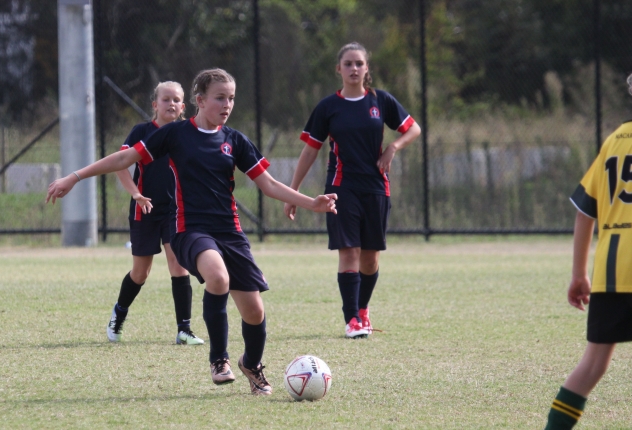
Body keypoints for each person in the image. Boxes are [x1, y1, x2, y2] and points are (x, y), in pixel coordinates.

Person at [47, 68, 337, 395]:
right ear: (199, 100)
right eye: (219, 98)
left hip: (230, 232)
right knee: (218, 277)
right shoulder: (175, 134)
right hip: (189, 230)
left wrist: (312, 203)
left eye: (231, 98)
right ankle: (219, 360)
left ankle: (251, 364)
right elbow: (125, 157)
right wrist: (75, 176)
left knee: (255, 311)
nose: (227, 105)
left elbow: (268, 185)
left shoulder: (235, 140)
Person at [283, 42, 421, 339]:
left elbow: (414, 128)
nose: (354, 68)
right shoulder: (328, 107)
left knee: (370, 259)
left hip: (375, 187)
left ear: (367, 68)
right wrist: (291, 193)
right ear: (339, 69)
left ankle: (362, 309)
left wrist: (392, 148)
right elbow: (309, 152)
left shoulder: (380, 101)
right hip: (340, 189)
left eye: (359, 63)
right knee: (349, 252)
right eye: (348, 63)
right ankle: (352, 320)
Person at [544, 68, 632, 430]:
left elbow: (585, 212)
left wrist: (579, 274)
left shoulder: (614, 141)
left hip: (611, 275)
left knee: (593, 365)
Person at [106, 81, 204, 346]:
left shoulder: (186, 132)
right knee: (141, 272)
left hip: (175, 211)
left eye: (176, 100)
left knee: (178, 265)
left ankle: (184, 329)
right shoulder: (141, 131)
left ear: (184, 106)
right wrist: (136, 194)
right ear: (155, 104)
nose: (171, 104)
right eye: (166, 99)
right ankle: (119, 313)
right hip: (145, 210)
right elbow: (119, 165)